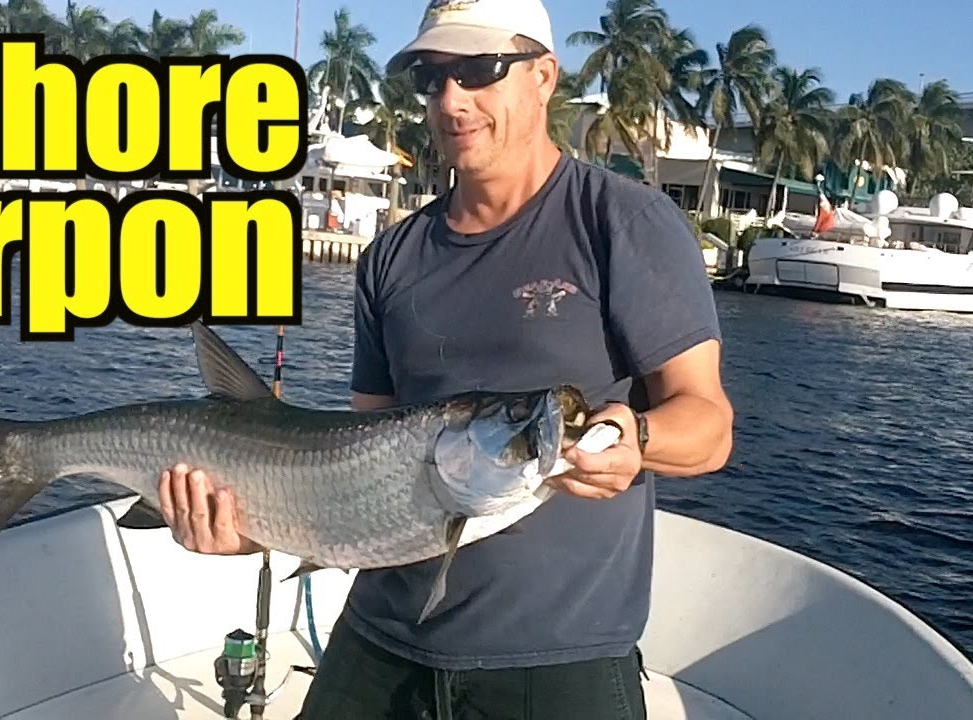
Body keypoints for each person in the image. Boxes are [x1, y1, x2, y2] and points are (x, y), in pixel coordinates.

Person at [157, 0, 735, 717]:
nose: (451, 100)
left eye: (480, 70)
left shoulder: (622, 221)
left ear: (544, 76)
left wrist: (636, 441)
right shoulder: (391, 257)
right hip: (381, 636)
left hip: (559, 656)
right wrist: (252, 525)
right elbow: (355, 454)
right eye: (432, 77)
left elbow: (708, 426)